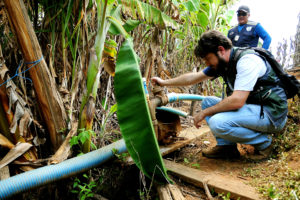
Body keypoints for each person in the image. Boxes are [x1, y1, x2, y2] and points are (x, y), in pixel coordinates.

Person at [151, 30, 287, 160]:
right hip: (254, 108)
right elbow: (193, 78)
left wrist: (205, 113)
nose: (207, 63)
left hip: (272, 114)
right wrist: (164, 83)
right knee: (208, 102)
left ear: (221, 50)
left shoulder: (247, 61)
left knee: (218, 122)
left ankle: (265, 143)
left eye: (208, 59)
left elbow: (237, 101)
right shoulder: (224, 63)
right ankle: (227, 148)